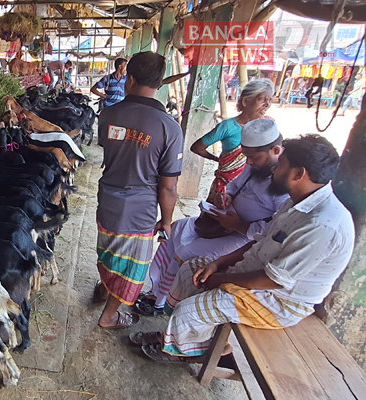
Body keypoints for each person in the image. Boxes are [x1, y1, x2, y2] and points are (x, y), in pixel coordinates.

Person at [132, 134, 354, 363]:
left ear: (299, 174)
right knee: (191, 271)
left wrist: (220, 280)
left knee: (192, 309)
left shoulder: (321, 224)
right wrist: (218, 264)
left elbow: (275, 280)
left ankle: (180, 350)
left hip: (279, 300)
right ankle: (180, 339)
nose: (275, 169)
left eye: (282, 165)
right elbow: (261, 239)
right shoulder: (296, 201)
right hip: (257, 273)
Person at [140, 119, 290, 316]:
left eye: (255, 158)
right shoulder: (255, 166)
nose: (250, 162)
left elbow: (272, 230)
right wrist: (225, 197)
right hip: (222, 223)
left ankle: (163, 302)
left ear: (276, 151)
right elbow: (235, 186)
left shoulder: (283, 186)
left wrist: (240, 225)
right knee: (175, 229)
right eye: (247, 157)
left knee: (186, 251)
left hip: (243, 237)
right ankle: (156, 290)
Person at [92, 52, 184, 329]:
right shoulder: (170, 127)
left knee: (109, 249)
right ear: (159, 83)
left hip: (108, 198)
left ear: (129, 78)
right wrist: (166, 221)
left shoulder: (108, 114)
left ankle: (104, 288)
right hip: (140, 209)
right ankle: (109, 315)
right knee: (131, 263)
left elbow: (109, 151)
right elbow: (168, 187)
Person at [190, 79, 274, 203]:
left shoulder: (268, 125)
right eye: (261, 99)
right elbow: (197, 147)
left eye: (270, 100)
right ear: (245, 101)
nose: (267, 104)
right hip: (226, 187)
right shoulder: (228, 127)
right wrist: (218, 160)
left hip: (251, 189)